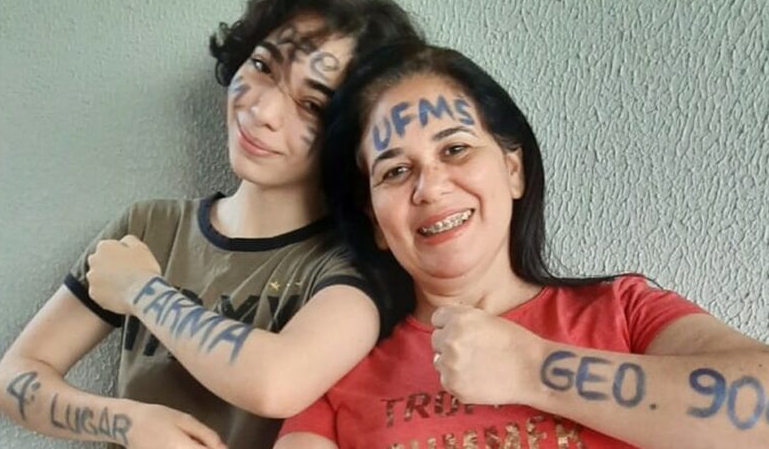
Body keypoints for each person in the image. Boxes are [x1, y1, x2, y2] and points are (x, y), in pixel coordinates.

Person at [0, 0, 422, 448]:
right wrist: (128, 422)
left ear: (354, 134)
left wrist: (140, 289)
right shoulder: (150, 227)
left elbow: (276, 383)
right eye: (262, 66)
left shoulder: (350, 265)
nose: (263, 110)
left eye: (312, 104)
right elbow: (14, 378)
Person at [275, 42, 769, 448]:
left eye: (455, 149)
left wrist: (533, 370)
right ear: (376, 222)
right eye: (396, 171)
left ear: (513, 170)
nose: (430, 187)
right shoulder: (337, 372)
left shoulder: (621, 309)